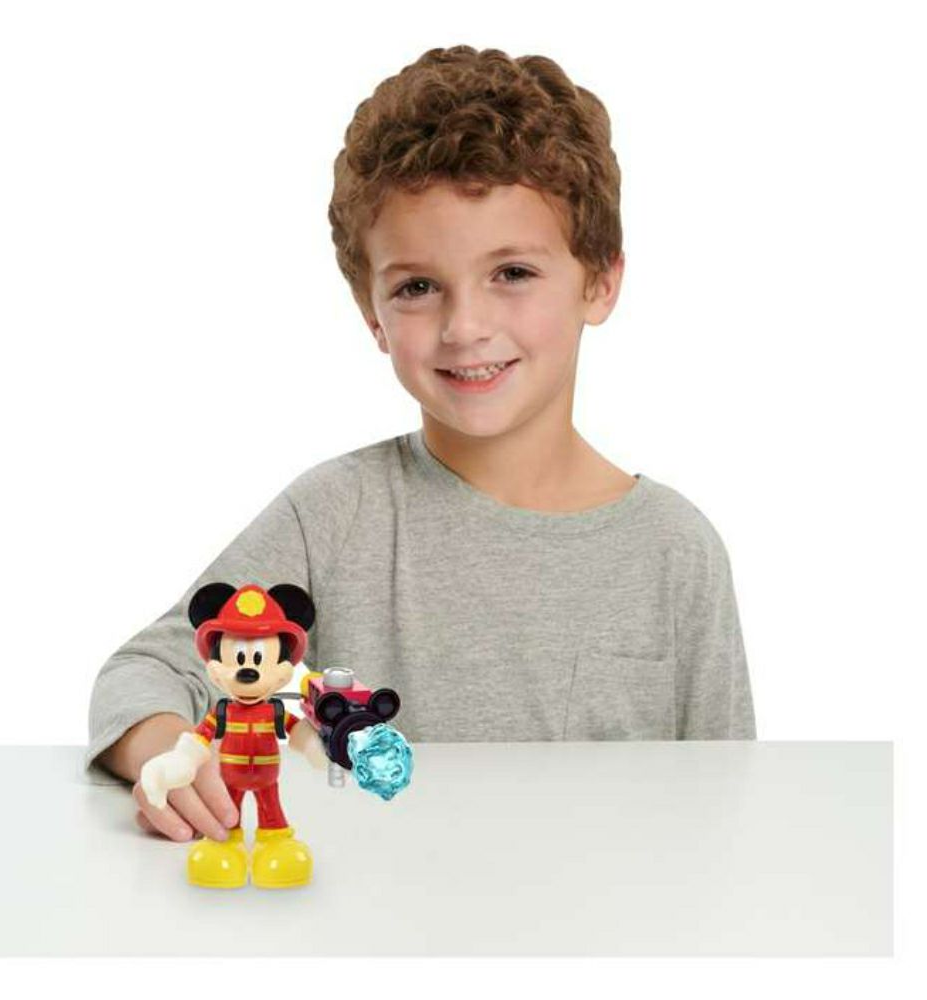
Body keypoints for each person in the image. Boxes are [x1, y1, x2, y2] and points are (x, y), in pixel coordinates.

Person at [86, 44, 756, 843]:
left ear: (600, 281)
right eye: (417, 287)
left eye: (512, 272)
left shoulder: (675, 552)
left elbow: (733, 807)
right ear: (372, 315)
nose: (464, 325)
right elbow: (148, 670)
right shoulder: (335, 515)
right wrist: (171, 753)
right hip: (375, 918)